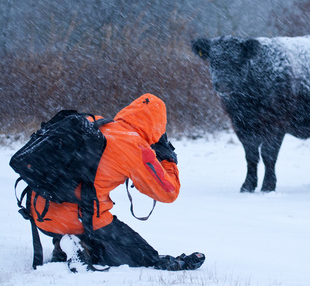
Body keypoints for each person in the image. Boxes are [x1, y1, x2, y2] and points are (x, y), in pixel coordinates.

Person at [29, 93, 205, 272]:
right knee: (143, 255)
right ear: (157, 126)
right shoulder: (135, 146)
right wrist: (168, 158)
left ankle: (66, 244)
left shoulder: (95, 123)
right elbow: (168, 193)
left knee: (85, 207)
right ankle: (77, 244)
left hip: (40, 212)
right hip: (80, 219)